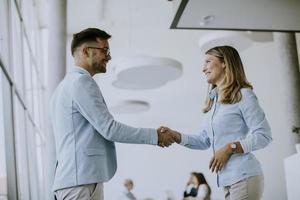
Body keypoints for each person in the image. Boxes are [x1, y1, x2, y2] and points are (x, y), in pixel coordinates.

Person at [50, 28, 178, 200]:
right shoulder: (81, 82)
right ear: (86, 51)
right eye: (105, 50)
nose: (109, 57)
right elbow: (110, 129)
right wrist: (155, 136)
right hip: (80, 182)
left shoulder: (63, 87)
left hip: (76, 180)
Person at [162, 45, 272, 200]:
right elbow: (204, 140)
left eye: (208, 62)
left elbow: (264, 136)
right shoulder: (214, 102)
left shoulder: (244, 95)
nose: (203, 69)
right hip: (227, 181)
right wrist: (176, 136)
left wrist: (229, 148)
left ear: (224, 63)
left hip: (244, 176)